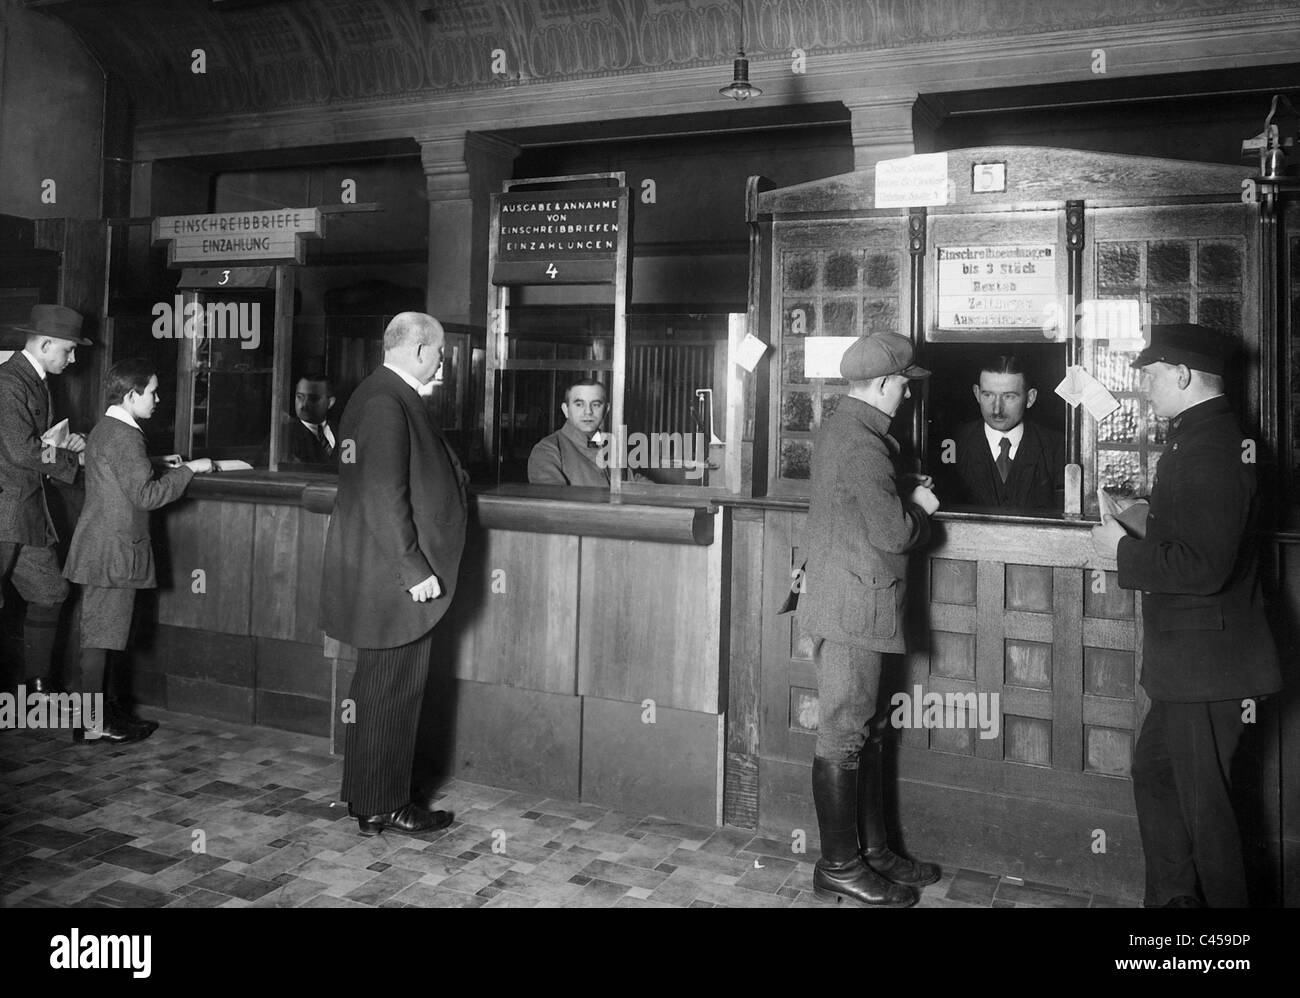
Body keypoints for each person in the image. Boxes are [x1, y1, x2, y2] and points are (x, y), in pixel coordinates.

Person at [1091, 323, 1283, 908]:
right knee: (1159, 777)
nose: (1143, 387)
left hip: (1208, 666)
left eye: (1149, 375)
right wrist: (1142, 515)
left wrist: (1118, 549)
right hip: (1191, 662)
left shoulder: (1213, 447)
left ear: (1181, 374)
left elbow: (1203, 568)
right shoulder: (1194, 436)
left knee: (1209, 815)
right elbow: (1196, 533)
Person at [798, 332, 942, 908]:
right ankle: (838, 866)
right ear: (885, 384)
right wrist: (921, 509)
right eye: (904, 384)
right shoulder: (863, 441)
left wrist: (901, 489)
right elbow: (892, 533)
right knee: (843, 731)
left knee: (865, 728)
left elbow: (855, 506)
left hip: (850, 599)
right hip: (853, 606)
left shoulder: (847, 428)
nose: (906, 395)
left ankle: (874, 854)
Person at [321, 312, 468, 836]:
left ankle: (372, 800)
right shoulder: (387, 400)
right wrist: (414, 569)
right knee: (391, 690)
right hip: (395, 579)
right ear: (421, 349)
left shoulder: (378, 393)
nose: (443, 361)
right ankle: (384, 804)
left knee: (380, 690)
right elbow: (384, 494)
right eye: (441, 351)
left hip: (382, 576)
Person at [62, 359, 213, 743]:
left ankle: (102, 716)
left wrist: (158, 462)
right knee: (101, 638)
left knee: (102, 635)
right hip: (115, 552)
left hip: (100, 547)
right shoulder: (127, 436)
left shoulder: (106, 427)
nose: (158, 399)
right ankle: (94, 723)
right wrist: (189, 470)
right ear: (131, 395)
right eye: (152, 392)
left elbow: (116, 471)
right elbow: (145, 496)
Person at [0, 304, 89, 701]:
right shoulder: (9, 382)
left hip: (27, 510)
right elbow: (20, 450)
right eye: (68, 350)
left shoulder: (35, 379)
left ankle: (38, 686)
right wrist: (70, 459)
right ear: (46, 343)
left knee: (50, 590)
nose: (72, 358)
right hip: (5, 511)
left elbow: (35, 445)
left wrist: (62, 445)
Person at [950, 354, 1065, 509]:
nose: (997, 409)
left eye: (1009, 396)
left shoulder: (1057, 447)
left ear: (1030, 398)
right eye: (988, 395)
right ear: (977, 393)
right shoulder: (954, 443)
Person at [527, 379, 610, 487]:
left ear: (606, 410)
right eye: (579, 404)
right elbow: (554, 501)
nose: (588, 411)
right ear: (566, 410)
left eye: (596, 404)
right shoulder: (547, 450)